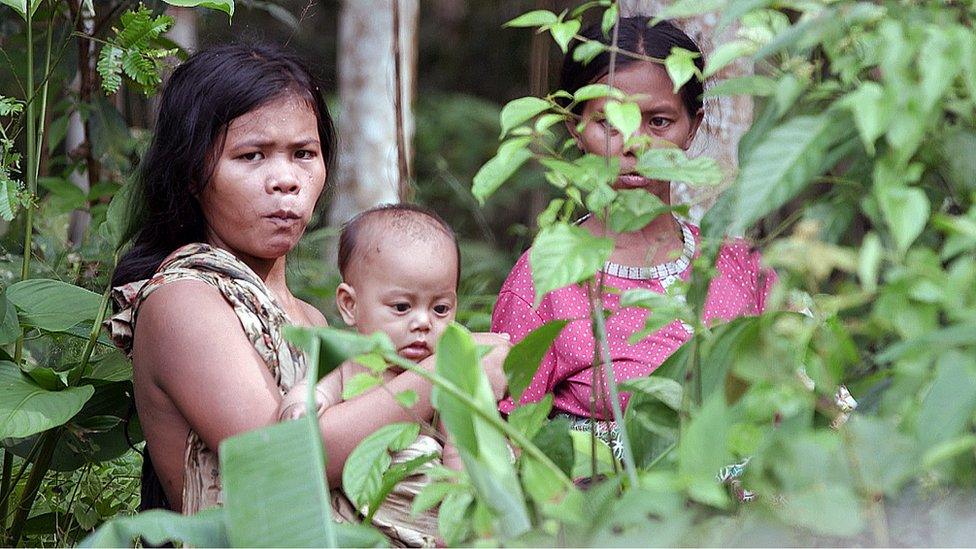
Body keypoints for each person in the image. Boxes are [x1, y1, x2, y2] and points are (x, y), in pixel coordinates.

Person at [107, 43, 501, 517]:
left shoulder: (310, 317)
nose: (286, 180)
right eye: (252, 156)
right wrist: (449, 375)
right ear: (193, 173)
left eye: (303, 154)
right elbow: (280, 466)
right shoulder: (183, 300)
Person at [491, 17, 777, 458]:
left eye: (659, 122)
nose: (634, 145)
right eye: (610, 123)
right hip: (607, 515)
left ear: (693, 127)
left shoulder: (737, 265)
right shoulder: (544, 278)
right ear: (574, 127)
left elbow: (800, 403)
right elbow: (506, 436)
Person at [287, 203, 507, 546]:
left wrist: (456, 523)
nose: (423, 322)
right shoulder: (353, 361)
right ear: (349, 305)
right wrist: (303, 401)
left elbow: (460, 453)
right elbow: (322, 388)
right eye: (402, 307)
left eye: (440, 308)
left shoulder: (445, 380)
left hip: (424, 529)